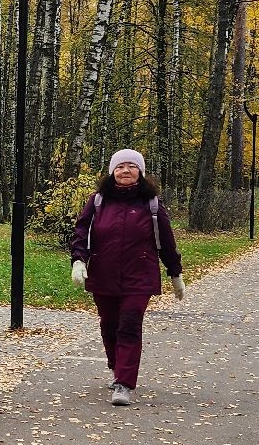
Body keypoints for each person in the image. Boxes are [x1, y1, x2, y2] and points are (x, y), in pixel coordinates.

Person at [69, 149, 185, 407]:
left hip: (139, 276)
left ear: (140, 173)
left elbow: (166, 240)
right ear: (112, 172)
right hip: (103, 274)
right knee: (109, 324)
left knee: (130, 324)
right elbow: (81, 232)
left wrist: (175, 273)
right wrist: (79, 260)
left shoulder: (151, 203)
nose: (126, 171)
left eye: (132, 166)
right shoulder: (98, 201)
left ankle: (124, 382)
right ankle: (116, 366)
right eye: (120, 167)